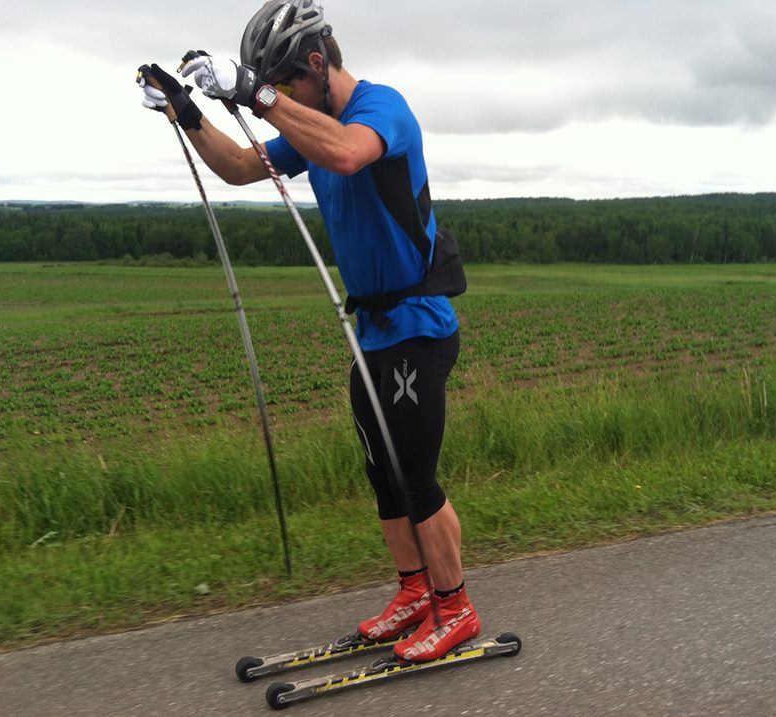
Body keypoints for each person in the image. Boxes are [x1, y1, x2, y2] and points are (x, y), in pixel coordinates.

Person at [139, 0, 479, 663]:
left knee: (414, 474)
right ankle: (415, 593)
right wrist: (187, 112)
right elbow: (241, 167)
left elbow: (351, 155)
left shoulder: (383, 110)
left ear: (317, 65)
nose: (283, 98)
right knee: (381, 473)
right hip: (371, 330)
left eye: (287, 83)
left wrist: (255, 92)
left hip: (418, 325)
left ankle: (456, 606)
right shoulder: (309, 120)